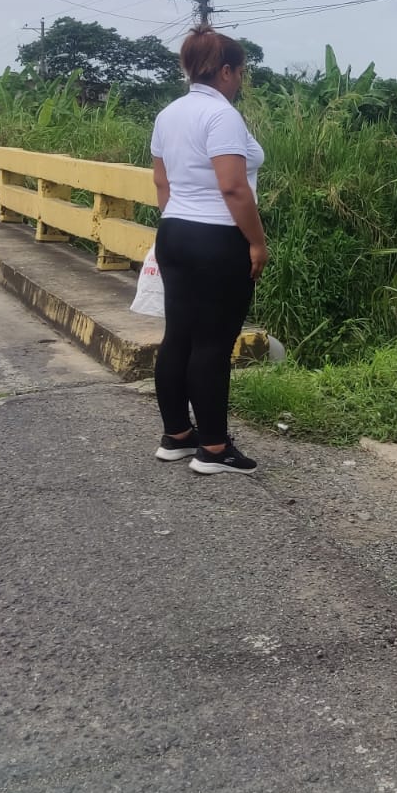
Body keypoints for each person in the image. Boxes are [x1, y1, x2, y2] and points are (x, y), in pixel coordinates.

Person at [149, 28, 268, 475]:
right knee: (213, 343)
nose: (240, 80)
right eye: (240, 72)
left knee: (178, 336)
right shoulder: (222, 116)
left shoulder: (169, 114)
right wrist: (256, 241)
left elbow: (161, 182)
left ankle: (178, 436)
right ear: (226, 71)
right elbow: (233, 187)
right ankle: (215, 449)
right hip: (216, 238)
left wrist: (179, 219)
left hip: (174, 231)